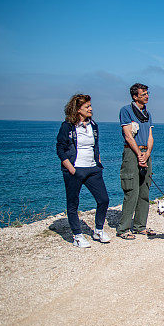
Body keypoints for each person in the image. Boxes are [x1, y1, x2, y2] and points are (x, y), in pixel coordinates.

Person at [56, 94, 111, 248]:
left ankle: (98, 230)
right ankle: (77, 236)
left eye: (90, 106)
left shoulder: (93, 125)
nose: (91, 109)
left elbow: (95, 146)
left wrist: (98, 163)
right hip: (75, 169)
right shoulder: (67, 126)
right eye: (87, 107)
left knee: (104, 200)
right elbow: (60, 149)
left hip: (93, 169)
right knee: (73, 203)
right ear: (78, 109)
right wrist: (71, 169)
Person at [117, 83, 154, 239]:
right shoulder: (126, 111)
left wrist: (147, 154)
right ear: (135, 96)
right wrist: (139, 154)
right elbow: (127, 135)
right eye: (143, 93)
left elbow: (150, 135)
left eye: (147, 93)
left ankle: (140, 226)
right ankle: (123, 229)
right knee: (132, 190)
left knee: (144, 189)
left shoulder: (148, 113)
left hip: (146, 151)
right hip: (132, 152)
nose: (147, 96)